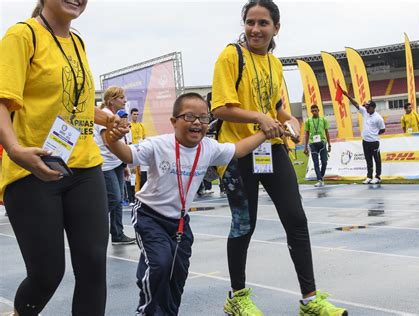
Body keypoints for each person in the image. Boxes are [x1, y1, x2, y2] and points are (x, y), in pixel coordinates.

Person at [211, 1, 347, 315]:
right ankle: (237, 297)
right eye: (250, 22)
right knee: (244, 225)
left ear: (276, 28)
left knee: (296, 220)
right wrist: (260, 118)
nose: (255, 29)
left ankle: (310, 301)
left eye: (263, 23)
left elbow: (277, 109)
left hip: (272, 151)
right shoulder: (231, 55)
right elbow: (220, 108)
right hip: (238, 153)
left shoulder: (274, 63)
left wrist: (292, 122)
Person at [0, 0, 126, 314]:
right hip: (34, 168)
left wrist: (103, 117)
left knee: (94, 265)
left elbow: (70, 102)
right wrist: (15, 151)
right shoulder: (22, 36)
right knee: (47, 274)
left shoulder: (78, 41)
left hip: (85, 167)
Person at [105, 92, 273, 316]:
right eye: (190, 116)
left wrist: (265, 133)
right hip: (150, 216)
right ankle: (146, 311)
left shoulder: (209, 147)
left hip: (180, 222)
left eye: (203, 118)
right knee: (160, 264)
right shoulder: (158, 145)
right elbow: (127, 155)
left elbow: (238, 150)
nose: (197, 122)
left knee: (178, 272)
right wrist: (112, 140)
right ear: (174, 122)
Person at [94, 86, 136, 245]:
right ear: (111, 100)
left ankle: (117, 234)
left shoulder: (113, 115)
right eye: (121, 97)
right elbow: (108, 141)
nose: (125, 100)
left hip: (116, 162)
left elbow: (119, 142)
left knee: (118, 201)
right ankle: (93, 224)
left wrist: (124, 163)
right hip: (106, 164)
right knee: (114, 198)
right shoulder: (105, 116)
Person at [342, 90, 385, 184]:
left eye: (368, 107)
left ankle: (377, 177)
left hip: (374, 142)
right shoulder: (365, 112)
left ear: (373, 108)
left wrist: (374, 135)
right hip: (365, 141)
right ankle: (369, 177)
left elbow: (382, 130)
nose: (366, 108)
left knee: (377, 160)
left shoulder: (378, 118)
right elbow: (356, 104)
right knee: (368, 160)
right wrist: (347, 96)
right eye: (366, 107)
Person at [303, 104, 331, 187]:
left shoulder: (323, 120)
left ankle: (321, 177)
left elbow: (327, 132)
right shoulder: (308, 121)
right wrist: (305, 147)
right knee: (315, 163)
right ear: (311, 112)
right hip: (313, 144)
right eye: (313, 111)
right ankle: (319, 179)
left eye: (316, 110)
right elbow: (306, 134)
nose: (314, 112)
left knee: (324, 162)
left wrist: (329, 144)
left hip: (322, 143)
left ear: (318, 110)